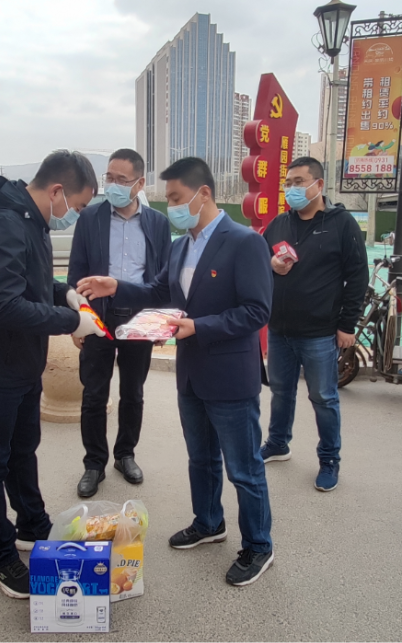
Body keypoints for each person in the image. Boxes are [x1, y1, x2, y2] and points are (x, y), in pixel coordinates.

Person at [77, 157, 275, 587]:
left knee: (243, 469)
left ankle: (259, 545)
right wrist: (117, 286)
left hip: (229, 375)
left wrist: (198, 327)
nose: (171, 207)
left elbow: (257, 311)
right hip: (191, 374)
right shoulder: (182, 245)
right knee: (201, 458)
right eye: (167, 199)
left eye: (176, 198)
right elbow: (158, 290)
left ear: (204, 193)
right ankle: (208, 522)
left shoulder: (244, 242)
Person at [0, 150, 106, 599]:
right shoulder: (1, 224)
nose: (74, 216)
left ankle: (32, 525)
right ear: (57, 191)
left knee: (22, 452)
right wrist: (70, 321)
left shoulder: (30, 221)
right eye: (77, 206)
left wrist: (65, 294)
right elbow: (3, 305)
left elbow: (32, 283)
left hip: (20, 366)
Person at [260, 157, 368, 492]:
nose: (291, 189)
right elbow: (259, 261)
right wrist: (271, 264)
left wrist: (347, 325)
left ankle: (329, 459)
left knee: (323, 397)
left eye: (299, 182)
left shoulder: (342, 224)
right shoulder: (279, 223)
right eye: (288, 183)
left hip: (320, 333)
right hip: (280, 329)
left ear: (318, 185)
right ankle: (278, 443)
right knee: (281, 392)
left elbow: (358, 277)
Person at [68, 149, 172, 496]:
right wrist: (78, 320)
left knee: (133, 393)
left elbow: (163, 277)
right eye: (109, 177)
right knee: (94, 394)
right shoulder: (91, 218)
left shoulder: (157, 223)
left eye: (121, 180)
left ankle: (125, 454)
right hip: (98, 317)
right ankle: (94, 463)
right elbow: (76, 272)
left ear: (139, 183)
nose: (112, 185)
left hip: (139, 319)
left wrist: (161, 321)